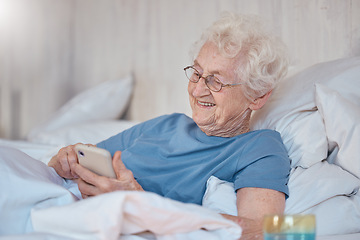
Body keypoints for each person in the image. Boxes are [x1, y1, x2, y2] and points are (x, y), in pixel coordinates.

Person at [48, 12, 290, 240]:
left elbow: (269, 231)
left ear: (257, 96)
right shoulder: (167, 123)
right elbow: (84, 160)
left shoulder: (260, 147)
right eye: (196, 73)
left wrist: (140, 204)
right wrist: (63, 161)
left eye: (215, 81)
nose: (196, 90)